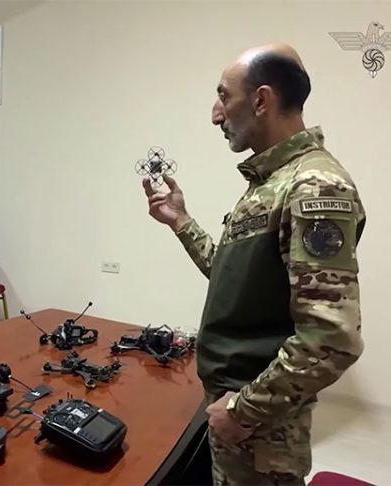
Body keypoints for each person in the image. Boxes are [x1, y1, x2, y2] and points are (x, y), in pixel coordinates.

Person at [142, 43, 365, 485]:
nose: (215, 115)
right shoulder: (270, 183)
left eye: (224, 96)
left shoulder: (314, 186)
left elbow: (331, 338)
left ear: (261, 100)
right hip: (234, 406)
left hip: (259, 424)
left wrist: (243, 411)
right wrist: (181, 221)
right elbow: (233, 277)